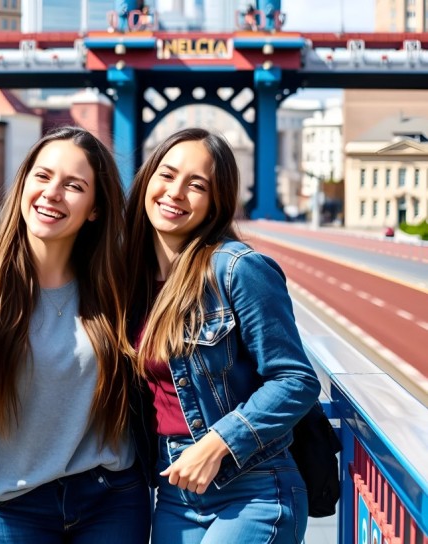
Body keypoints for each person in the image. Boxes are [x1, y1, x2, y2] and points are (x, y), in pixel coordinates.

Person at [0, 127, 150, 543]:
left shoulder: (118, 285)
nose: (52, 193)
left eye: (74, 186)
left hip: (110, 498)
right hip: (8, 506)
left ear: (95, 208)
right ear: (23, 186)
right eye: (42, 176)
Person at [124, 128, 321, 542]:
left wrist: (219, 442)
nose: (175, 192)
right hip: (176, 491)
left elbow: (297, 381)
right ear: (146, 179)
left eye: (197, 185)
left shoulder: (236, 269)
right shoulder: (129, 281)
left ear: (216, 202)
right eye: (167, 174)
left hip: (252, 486)